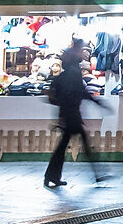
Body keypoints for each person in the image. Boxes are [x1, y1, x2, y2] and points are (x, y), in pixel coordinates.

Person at [44, 39, 107, 188]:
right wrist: (97, 102)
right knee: (82, 143)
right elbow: (80, 91)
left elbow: (77, 92)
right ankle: (97, 174)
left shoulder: (69, 70)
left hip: (67, 113)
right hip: (71, 114)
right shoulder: (74, 72)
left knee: (64, 146)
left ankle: (51, 176)